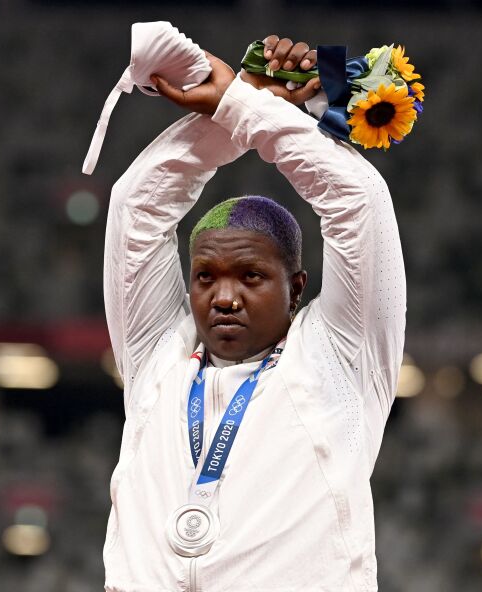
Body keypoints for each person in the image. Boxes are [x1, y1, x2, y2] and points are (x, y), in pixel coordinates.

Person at [102, 35, 406, 591]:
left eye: (251, 277)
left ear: (296, 288)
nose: (223, 298)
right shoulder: (156, 356)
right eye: (205, 277)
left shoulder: (339, 358)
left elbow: (356, 201)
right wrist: (244, 102)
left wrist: (242, 107)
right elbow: (137, 206)